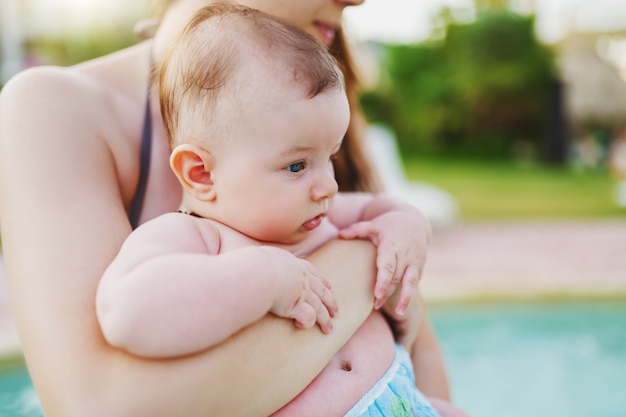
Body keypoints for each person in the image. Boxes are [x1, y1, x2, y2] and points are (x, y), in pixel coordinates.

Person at [0, 0, 453, 416]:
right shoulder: (56, 111)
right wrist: (337, 268)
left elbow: (416, 343)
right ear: (198, 173)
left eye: (325, 160)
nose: (358, 1)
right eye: (296, 165)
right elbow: (105, 404)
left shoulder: (311, 119)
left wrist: (401, 223)